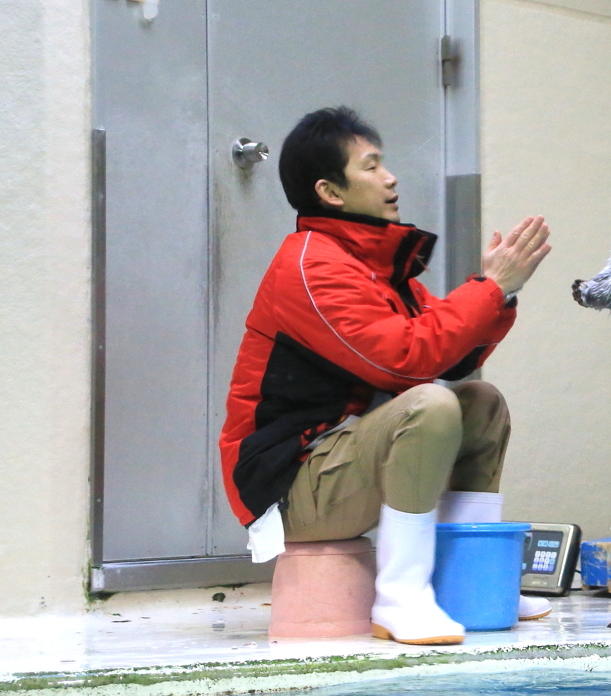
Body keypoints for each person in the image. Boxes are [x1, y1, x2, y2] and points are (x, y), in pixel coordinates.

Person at [218, 106, 552, 646]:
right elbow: (404, 361)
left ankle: (469, 582)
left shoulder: (372, 264)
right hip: (290, 488)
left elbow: (451, 358)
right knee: (430, 405)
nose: (390, 177)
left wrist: (501, 292)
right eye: (371, 167)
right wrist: (487, 289)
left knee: (479, 401)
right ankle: (402, 598)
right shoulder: (312, 264)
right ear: (330, 192)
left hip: (342, 460)